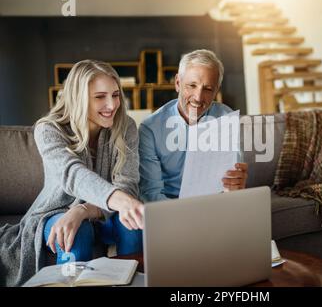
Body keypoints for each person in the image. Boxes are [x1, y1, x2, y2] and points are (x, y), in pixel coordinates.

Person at [0, 60, 144, 287]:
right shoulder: (48, 129)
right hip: (55, 212)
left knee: (132, 226)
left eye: (115, 95)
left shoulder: (126, 127)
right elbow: (72, 175)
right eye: (100, 97)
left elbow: (127, 185)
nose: (112, 105)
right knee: (75, 233)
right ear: (78, 98)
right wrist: (110, 204)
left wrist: (84, 210)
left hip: (103, 212)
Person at [139, 49, 248, 201]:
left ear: (216, 90)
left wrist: (234, 184)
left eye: (208, 89)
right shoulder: (150, 128)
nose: (198, 97)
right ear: (177, 83)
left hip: (213, 203)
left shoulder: (226, 117)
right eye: (192, 85)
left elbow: (231, 179)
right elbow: (151, 193)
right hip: (168, 207)